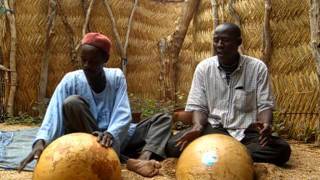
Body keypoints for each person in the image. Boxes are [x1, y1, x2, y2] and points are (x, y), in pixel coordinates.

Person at [18, 32, 172, 177]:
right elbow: (54, 114)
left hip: (114, 137)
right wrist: (40, 142)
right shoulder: (71, 80)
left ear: (105, 59)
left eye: (92, 61)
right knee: (72, 103)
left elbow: (123, 112)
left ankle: (143, 158)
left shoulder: (116, 77)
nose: (86, 65)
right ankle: (123, 160)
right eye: (83, 60)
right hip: (86, 137)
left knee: (163, 119)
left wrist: (111, 133)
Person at [166, 23, 291, 165]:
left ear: (238, 42)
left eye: (225, 40)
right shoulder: (204, 68)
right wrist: (197, 127)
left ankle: (221, 154)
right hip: (213, 130)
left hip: (247, 133)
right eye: (216, 40)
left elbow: (265, 106)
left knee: (282, 150)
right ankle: (235, 155)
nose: (219, 44)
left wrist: (266, 124)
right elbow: (199, 107)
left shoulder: (257, 68)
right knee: (173, 146)